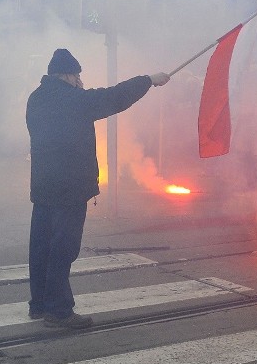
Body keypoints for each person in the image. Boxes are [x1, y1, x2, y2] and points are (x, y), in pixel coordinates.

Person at [26, 49, 171, 329]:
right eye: (77, 75)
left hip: (43, 184)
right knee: (62, 248)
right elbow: (113, 97)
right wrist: (148, 80)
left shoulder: (36, 98)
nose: (80, 80)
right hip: (70, 187)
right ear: (68, 74)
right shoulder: (73, 99)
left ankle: (40, 304)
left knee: (41, 246)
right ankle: (58, 310)